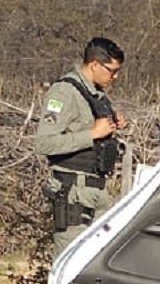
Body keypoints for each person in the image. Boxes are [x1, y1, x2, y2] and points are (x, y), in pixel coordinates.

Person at [35, 36, 127, 256]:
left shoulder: (95, 94)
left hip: (96, 189)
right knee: (71, 263)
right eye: (112, 71)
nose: (115, 77)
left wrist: (112, 125)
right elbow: (44, 143)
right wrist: (92, 134)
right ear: (95, 64)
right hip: (73, 194)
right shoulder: (64, 93)